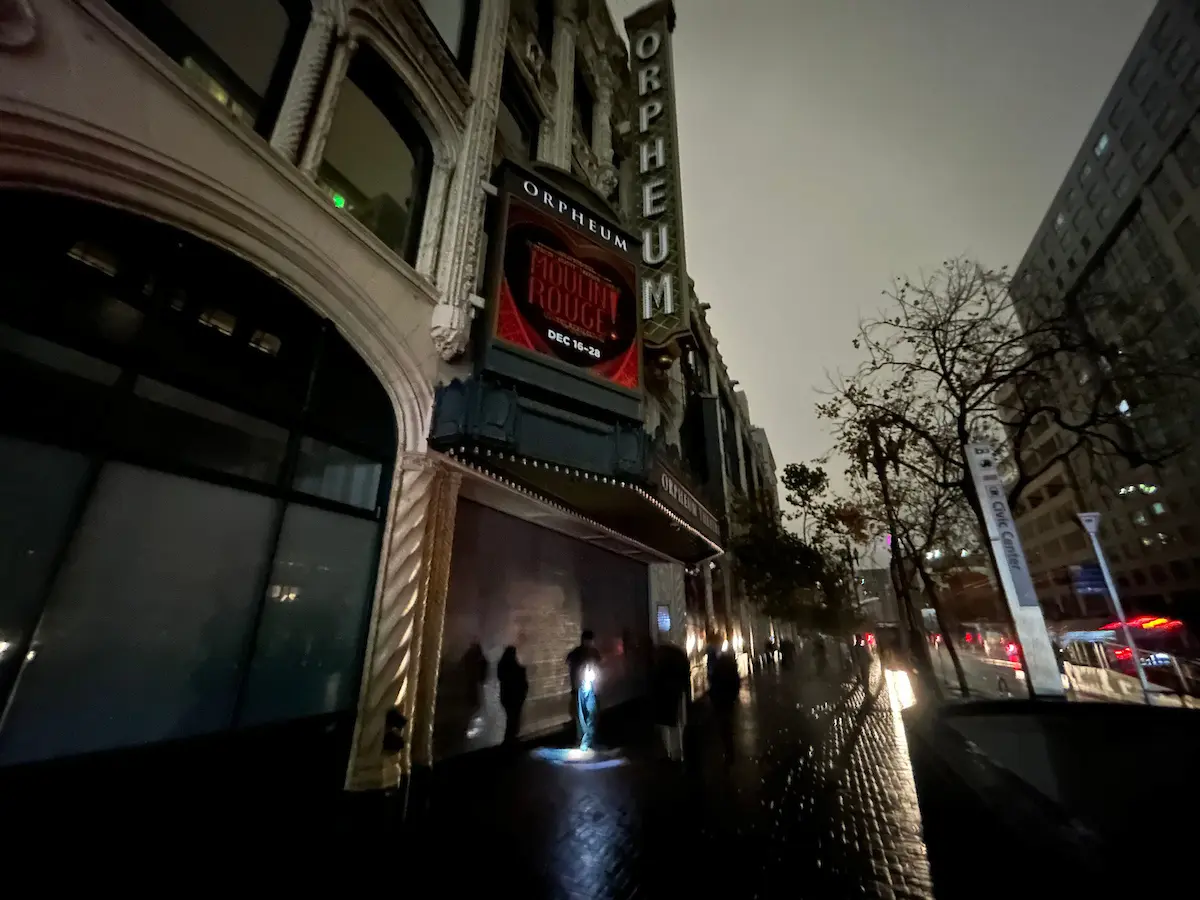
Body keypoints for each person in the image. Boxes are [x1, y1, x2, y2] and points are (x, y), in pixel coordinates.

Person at [651, 641, 691, 761]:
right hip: (676, 693)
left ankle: (670, 752)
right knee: (676, 723)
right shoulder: (678, 658)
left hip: (663, 696)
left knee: (666, 725)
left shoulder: (659, 661)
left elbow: (655, 680)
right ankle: (677, 752)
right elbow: (686, 676)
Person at [566, 630, 602, 750]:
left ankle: (586, 740)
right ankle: (583, 740)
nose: (589, 643)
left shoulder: (592, 653)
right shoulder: (579, 653)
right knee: (582, 714)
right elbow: (569, 661)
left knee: (591, 712)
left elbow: (598, 665)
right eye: (588, 641)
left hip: (589, 686)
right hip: (581, 686)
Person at [708, 648, 740, 765]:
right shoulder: (732, 669)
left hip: (719, 699)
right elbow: (736, 683)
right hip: (728, 700)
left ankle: (726, 746)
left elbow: (713, 682)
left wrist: (712, 696)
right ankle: (729, 747)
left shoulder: (718, 669)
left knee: (722, 722)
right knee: (727, 721)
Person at [497, 645, 529, 745]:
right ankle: (510, 739)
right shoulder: (513, 667)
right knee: (513, 718)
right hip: (514, 697)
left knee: (511, 718)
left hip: (507, 697)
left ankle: (509, 738)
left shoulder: (502, 666)